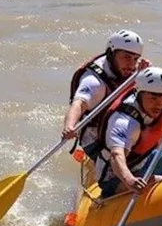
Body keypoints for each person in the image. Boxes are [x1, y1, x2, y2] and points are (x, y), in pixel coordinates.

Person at [94, 67, 162, 198]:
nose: (158, 104)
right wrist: (130, 180)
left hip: (145, 160)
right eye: (153, 98)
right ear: (139, 94)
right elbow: (116, 155)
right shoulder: (124, 121)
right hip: (114, 177)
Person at [61, 29, 150, 161]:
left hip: (118, 128)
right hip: (95, 140)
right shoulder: (94, 83)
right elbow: (79, 104)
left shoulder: (134, 70)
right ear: (111, 54)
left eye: (135, 58)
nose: (131, 64)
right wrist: (69, 126)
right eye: (126, 57)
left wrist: (146, 75)